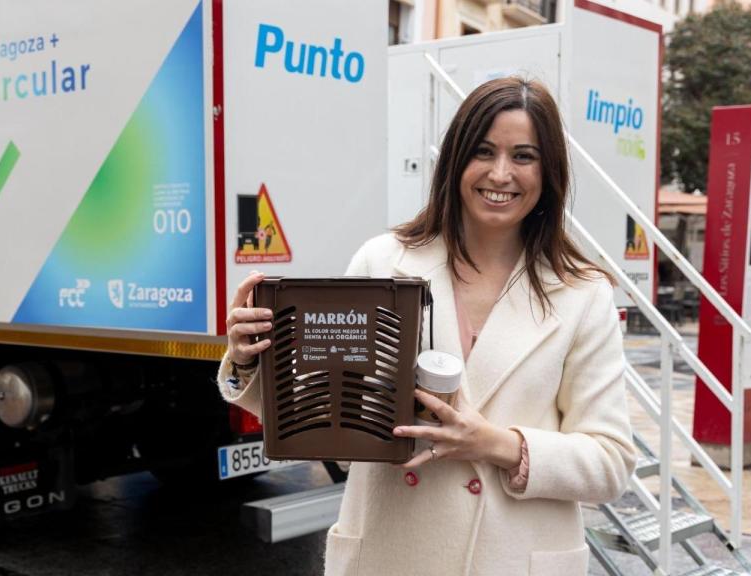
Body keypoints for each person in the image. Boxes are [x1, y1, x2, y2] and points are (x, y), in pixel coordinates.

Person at [217, 77, 636, 576]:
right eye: (484, 151)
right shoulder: (384, 260)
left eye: (524, 156)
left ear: (549, 172)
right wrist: (250, 357)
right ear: (456, 159)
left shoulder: (582, 293)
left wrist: (498, 445)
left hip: (513, 559)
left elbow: (611, 462)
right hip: (390, 550)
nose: (501, 174)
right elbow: (318, 414)